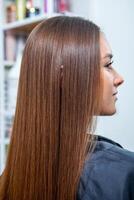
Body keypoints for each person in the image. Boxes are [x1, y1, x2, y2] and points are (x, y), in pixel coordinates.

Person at [0, 16, 133, 200]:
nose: (119, 78)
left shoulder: (11, 175)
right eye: (108, 65)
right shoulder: (122, 174)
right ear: (65, 77)